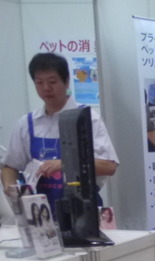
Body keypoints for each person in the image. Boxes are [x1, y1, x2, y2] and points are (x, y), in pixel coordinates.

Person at [2, 53, 119, 214]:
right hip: (40, 214)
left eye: (52, 81)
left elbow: (109, 166)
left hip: (83, 211)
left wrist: (63, 164)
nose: (46, 88)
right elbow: (10, 166)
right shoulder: (27, 123)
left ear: (66, 81)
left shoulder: (87, 118)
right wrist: (10, 187)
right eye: (39, 82)